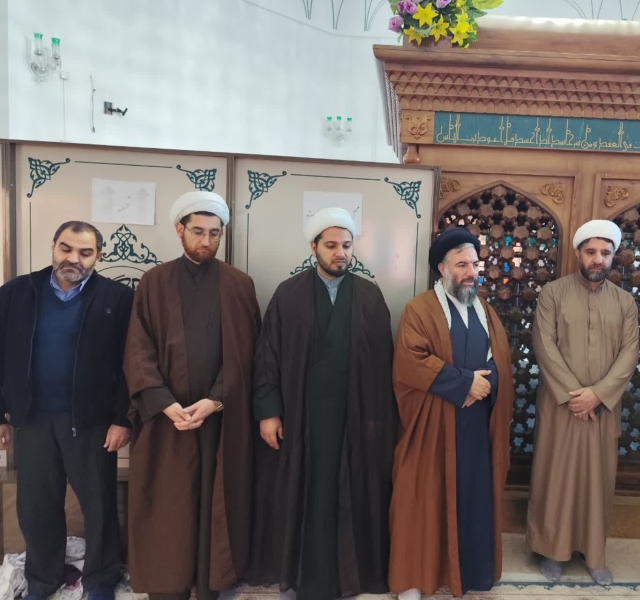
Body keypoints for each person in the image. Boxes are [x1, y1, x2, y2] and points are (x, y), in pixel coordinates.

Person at [249, 207, 396, 600]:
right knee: (305, 495)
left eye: (346, 245)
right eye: (331, 245)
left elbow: (384, 365)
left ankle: (350, 576)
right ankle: (299, 577)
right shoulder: (288, 294)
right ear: (313, 247)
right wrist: (268, 412)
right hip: (301, 418)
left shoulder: (369, 295)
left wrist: (378, 421)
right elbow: (267, 358)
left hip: (354, 418)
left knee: (350, 494)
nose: (340, 253)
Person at [124, 191, 261, 600]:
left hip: (220, 417)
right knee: (170, 505)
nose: (206, 240)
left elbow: (247, 352)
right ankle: (168, 585)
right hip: (167, 419)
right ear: (179, 230)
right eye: (198, 231)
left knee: (215, 502)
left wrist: (216, 399)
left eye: (214, 233)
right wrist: (164, 402)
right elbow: (138, 347)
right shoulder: (154, 281)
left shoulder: (239, 284)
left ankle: (212, 583)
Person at [0, 221, 133, 600]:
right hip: (32, 421)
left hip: (92, 422)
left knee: (99, 506)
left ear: (99, 256)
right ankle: (43, 580)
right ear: (53, 246)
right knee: (36, 507)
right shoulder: (17, 293)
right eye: (66, 248)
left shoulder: (117, 298)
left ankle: (101, 580)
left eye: (85, 252)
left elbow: (130, 363)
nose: (73, 258)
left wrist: (122, 418)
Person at [389, 227, 514, 599]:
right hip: (433, 422)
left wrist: (485, 384)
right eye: (462, 265)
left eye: (474, 264)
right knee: (422, 500)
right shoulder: (420, 309)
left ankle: (470, 574)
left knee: (473, 499)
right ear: (442, 268)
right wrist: (464, 384)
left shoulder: (485, 311)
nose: (471, 272)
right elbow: (410, 361)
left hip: (475, 426)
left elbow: (500, 359)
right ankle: (415, 579)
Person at [526, 219, 639, 585]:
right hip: (562, 407)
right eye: (591, 252)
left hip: (602, 410)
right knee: (555, 477)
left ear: (613, 257)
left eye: (605, 253)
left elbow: (629, 353)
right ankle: (552, 550)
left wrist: (598, 395)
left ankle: (594, 553)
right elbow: (544, 345)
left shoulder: (625, 302)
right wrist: (576, 394)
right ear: (578, 253)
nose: (597, 259)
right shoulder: (553, 294)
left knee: (597, 482)